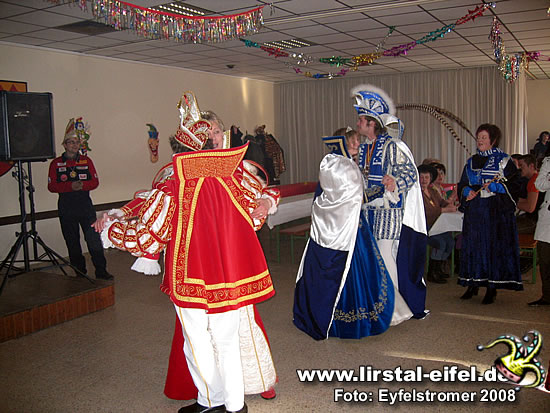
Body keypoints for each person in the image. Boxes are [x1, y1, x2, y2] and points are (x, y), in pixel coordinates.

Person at [95, 92, 276, 413]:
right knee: (227, 342)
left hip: (191, 276)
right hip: (231, 275)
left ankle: (211, 402)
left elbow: (148, 238)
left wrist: (109, 231)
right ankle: (235, 406)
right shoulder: (234, 178)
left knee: (198, 342)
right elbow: (257, 213)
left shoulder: (175, 185)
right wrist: (264, 203)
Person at [293, 129, 394, 340]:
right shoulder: (342, 166)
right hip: (345, 228)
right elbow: (356, 197)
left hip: (341, 224)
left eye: (358, 140)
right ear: (342, 142)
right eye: (353, 141)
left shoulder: (336, 163)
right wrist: (380, 189)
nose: (358, 144)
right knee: (347, 271)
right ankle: (341, 318)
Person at [353, 84, 428, 322]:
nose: (357, 124)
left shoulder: (392, 145)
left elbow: (410, 173)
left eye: (361, 120)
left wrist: (394, 181)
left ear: (371, 123)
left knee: (386, 257)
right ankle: (378, 305)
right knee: (372, 260)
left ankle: (394, 310)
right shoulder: (364, 148)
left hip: (388, 213)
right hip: (368, 212)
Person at [457, 123, 522, 304]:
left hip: (495, 212)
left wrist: (497, 187)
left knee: (492, 248)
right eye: (478, 137)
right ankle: (472, 283)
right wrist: (466, 191)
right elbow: (463, 183)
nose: (480, 140)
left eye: (484, 137)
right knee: (474, 246)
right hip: (475, 211)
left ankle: (491, 288)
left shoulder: (504, 160)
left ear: (493, 140)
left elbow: (516, 185)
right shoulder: (471, 161)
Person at [47, 118, 113, 280]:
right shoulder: (55, 163)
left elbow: (95, 182)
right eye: (71, 142)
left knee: (93, 240)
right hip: (66, 207)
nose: (74, 145)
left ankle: (101, 271)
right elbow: (52, 186)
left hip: (85, 206)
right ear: (64, 145)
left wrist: (82, 185)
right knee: (72, 242)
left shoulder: (86, 161)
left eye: (77, 142)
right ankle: (80, 273)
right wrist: (70, 186)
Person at [417, 164, 457, 284]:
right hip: (424, 228)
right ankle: (432, 272)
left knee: (450, 242)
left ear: (430, 179)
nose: (424, 180)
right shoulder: (416, 193)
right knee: (440, 243)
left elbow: (442, 202)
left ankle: (439, 268)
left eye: (426, 177)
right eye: (421, 177)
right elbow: (427, 212)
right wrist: (443, 210)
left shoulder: (432, 191)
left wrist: (450, 204)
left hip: (436, 226)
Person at [531, 145, 550, 306]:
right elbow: (539, 184)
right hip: (547, 217)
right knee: (545, 259)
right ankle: (547, 296)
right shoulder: (548, 161)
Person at [516, 154, 541, 234]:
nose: (519, 168)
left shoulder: (534, 181)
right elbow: (528, 200)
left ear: (531, 166)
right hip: (533, 219)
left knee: (503, 227)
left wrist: (512, 202)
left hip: (534, 222)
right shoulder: (535, 179)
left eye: (521, 166)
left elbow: (530, 208)